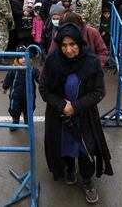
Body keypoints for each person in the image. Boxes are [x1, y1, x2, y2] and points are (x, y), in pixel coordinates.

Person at [39, 23, 113, 204]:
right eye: (63, 45)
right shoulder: (52, 60)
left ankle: (87, 181)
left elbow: (98, 92)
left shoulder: (91, 61)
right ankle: (70, 169)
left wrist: (76, 106)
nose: (68, 50)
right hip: (59, 115)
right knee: (64, 146)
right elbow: (44, 89)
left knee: (85, 148)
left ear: (80, 42)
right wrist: (61, 105)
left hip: (84, 115)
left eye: (72, 44)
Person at [3, 45, 39, 131]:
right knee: (14, 109)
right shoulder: (14, 68)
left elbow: (38, 77)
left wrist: (42, 82)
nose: (23, 59)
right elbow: (8, 78)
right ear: (17, 58)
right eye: (21, 57)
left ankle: (27, 121)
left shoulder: (32, 69)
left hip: (29, 95)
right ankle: (15, 121)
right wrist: (5, 87)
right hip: (16, 95)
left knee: (28, 109)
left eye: (25, 57)